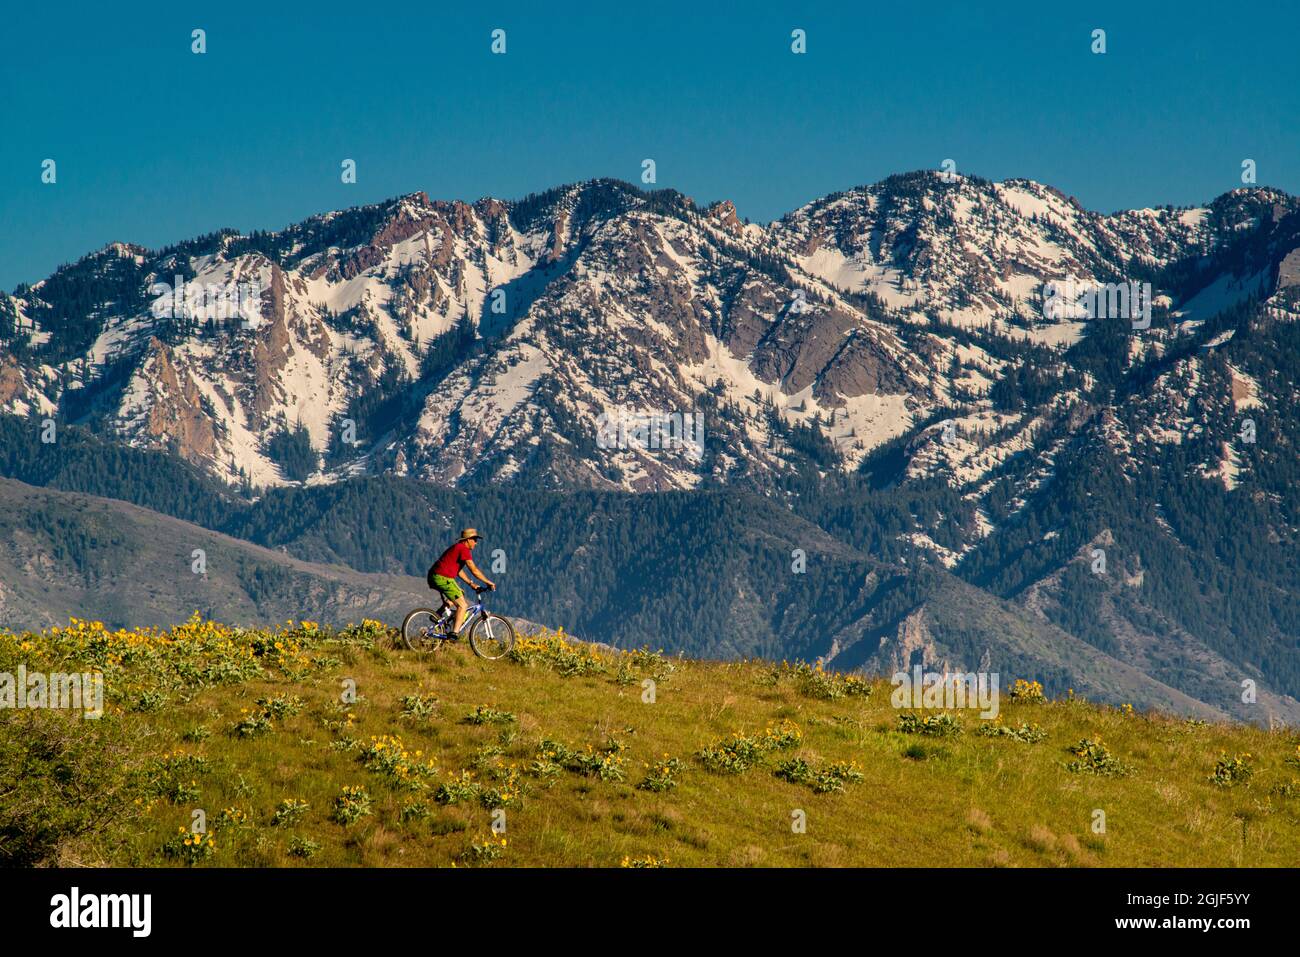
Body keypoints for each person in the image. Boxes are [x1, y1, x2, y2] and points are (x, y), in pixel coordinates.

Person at [427, 528, 496, 639]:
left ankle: (438, 615)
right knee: (463, 605)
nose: (476, 543)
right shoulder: (463, 549)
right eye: (474, 539)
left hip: (435, 576)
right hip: (443, 577)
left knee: (460, 593)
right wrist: (489, 582)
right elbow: (474, 570)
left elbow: (458, 570)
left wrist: (470, 583)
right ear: (467, 540)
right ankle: (454, 634)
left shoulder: (457, 548)